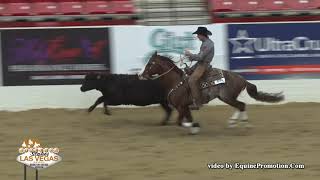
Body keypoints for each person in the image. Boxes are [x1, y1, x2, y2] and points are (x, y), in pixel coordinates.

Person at [184, 27, 215, 110]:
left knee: (191, 80)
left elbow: (200, 57)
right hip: (200, 64)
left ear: (202, 35)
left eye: (198, 34)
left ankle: (198, 103)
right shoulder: (205, 43)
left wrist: (190, 55)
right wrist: (191, 58)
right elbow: (199, 56)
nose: (197, 36)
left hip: (203, 66)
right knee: (187, 72)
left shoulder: (208, 44)